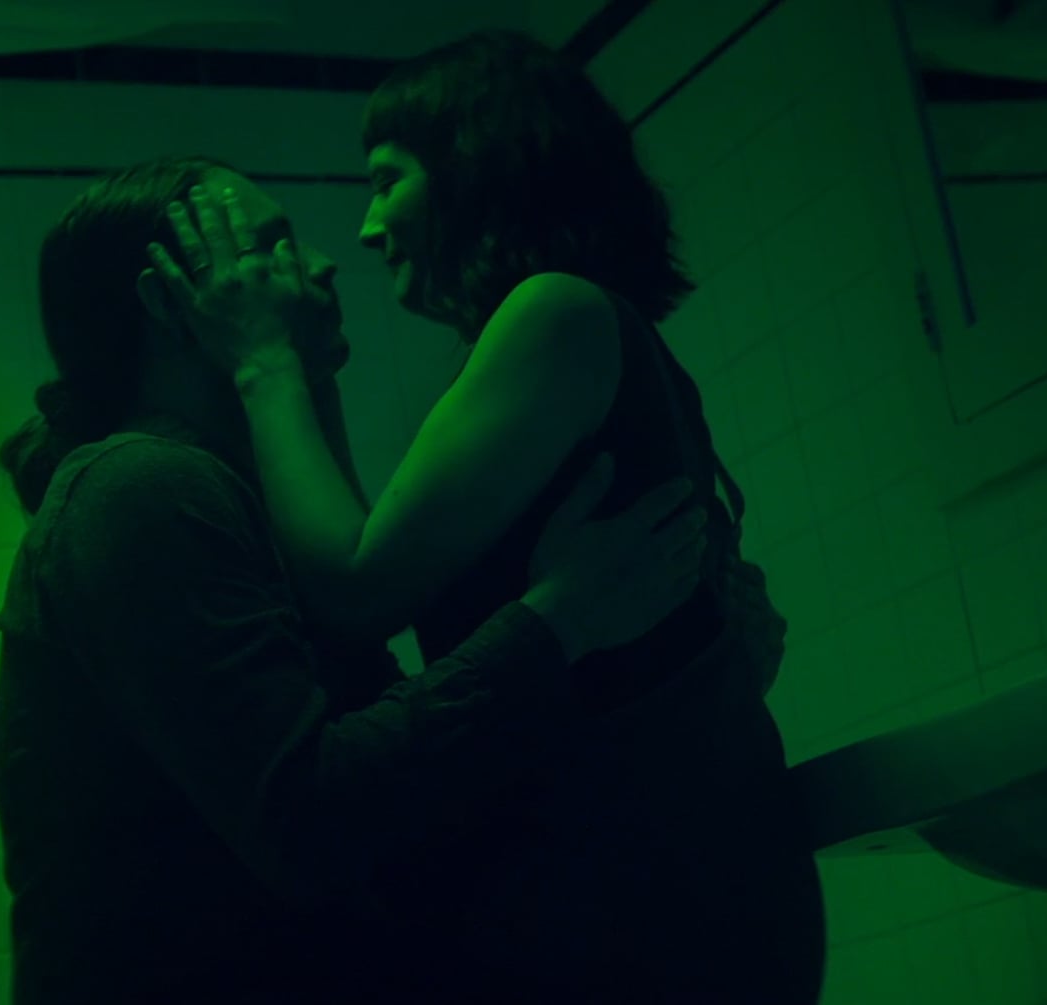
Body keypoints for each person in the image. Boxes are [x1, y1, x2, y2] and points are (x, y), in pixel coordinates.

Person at [138, 28, 826, 1002]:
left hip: (648, 903)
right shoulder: (590, 330)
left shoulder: (554, 312)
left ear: (475, 169)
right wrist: (306, 369)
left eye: (387, 181)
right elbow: (364, 557)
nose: (367, 228)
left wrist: (265, 362)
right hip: (680, 886)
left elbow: (355, 589)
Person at [0, 155, 721, 1001]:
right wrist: (560, 619)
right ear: (168, 302)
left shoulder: (229, 504)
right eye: (273, 248)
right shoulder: (140, 488)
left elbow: (393, 768)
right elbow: (315, 820)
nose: (327, 262)